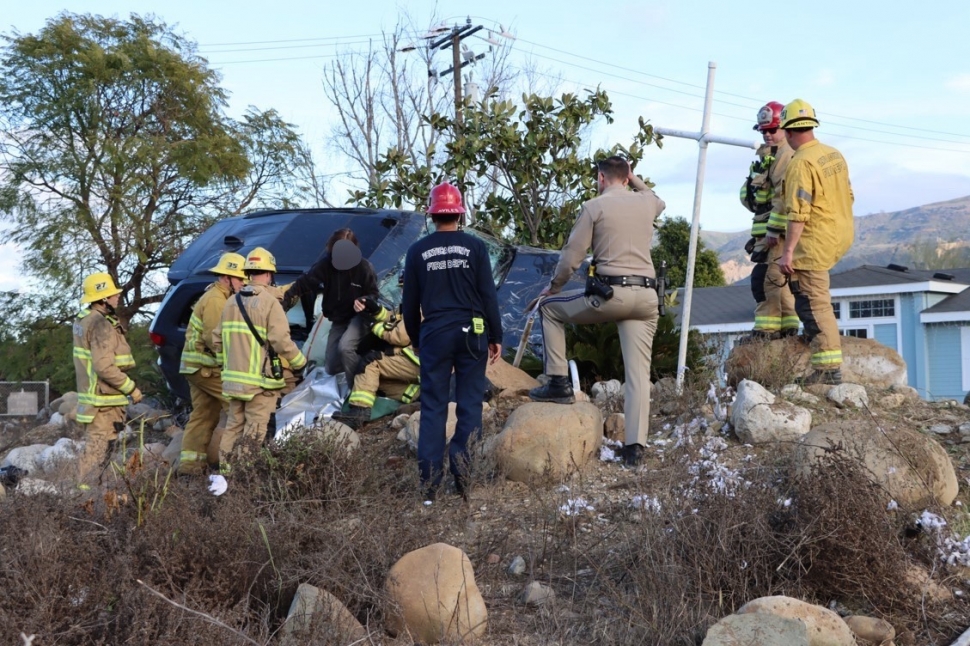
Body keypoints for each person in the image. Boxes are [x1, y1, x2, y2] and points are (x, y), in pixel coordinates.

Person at [528, 156, 665, 467]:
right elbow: (659, 200)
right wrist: (635, 178)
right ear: (627, 177)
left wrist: (555, 286)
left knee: (549, 309)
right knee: (638, 376)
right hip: (646, 299)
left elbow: (572, 256)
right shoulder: (646, 202)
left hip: (610, 295)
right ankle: (634, 449)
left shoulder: (594, 207)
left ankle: (559, 383)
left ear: (601, 179)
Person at [402, 182, 502, 501]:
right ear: (459, 214)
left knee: (433, 407)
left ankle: (429, 487)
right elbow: (488, 294)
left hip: (434, 334)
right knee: (469, 405)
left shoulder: (417, 251)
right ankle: (463, 479)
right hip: (472, 333)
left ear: (432, 214)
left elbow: (409, 303)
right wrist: (496, 336)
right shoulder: (475, 248)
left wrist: (415, 337)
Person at [776, 99, 854, 385]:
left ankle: (827, 371)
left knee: (813, 303)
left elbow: (798, 213)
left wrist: (788, 253)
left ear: (788, 131)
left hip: (815, 243)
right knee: (816, 299)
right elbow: (849, 195)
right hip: (837, 234)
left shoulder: (800, 163)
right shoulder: (832, 154)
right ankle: (823, 359)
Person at [212, 247, 307, 473]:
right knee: (254, 431)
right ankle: (242, 478)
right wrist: (300, 363)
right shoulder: (269, 302)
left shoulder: (231, 302)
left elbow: (217, 340)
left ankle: (225, 474)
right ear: (269, 274)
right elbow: (281, 341)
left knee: (233, 427)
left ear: (248, 273)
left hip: (233, 382)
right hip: (259, 384)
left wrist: (229, 365)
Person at [176, 253, 246, 475]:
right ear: (227, 278)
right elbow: (216, 339)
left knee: (203, 415)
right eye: (240, 279)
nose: (243, 283)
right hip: (206, 368)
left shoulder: (216, 296)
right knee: (237, 406)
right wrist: (235, 369)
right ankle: (236, 467)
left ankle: (189, 467)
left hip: (196, 368)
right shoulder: (217, 300)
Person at [73, 272, 142, 483]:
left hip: (97, 398)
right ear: (103, 299)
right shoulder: (100, 324)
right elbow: (104, 366)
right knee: (96, 450)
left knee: (101, 449)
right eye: (112, 294)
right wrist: (131, 388)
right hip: (102, 401)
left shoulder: (85, 320)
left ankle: (93, 494)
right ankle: (83, 497)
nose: (117, 296)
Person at [739, 101, 799, 341]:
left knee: (767, 280)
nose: (767, 134)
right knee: (777, 280)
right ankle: (787, 326)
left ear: (785, 129)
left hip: (778, 234)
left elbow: (783, 200)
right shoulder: (767, 156)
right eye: (763, 130)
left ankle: (766, 331)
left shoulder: (786, 156)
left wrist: (773, 232)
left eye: (772, 130)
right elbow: (753, 196)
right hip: (767, 231)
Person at [282, 229, 378, 377]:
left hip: (359, 317)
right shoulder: (326, 265)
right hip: (339, 318)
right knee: (331, 367)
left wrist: (365, 302)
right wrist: (284, 303)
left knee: (345, 348)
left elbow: (373, 294)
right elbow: (304, 283)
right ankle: (348, 376)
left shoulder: (364, 268)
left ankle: (359, 385)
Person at [332, 291, 421, 430]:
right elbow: (394, 318)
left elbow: (400, 336)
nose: (402, 291)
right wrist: (376, 310)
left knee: (371, 362)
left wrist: (372, 323)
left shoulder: (421, 304)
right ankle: (417, 396)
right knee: (373, 381)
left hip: (421, 360)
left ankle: (359, 411)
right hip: (425, 361)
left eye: (405, 287)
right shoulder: (416, 301)